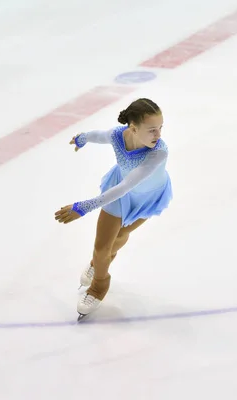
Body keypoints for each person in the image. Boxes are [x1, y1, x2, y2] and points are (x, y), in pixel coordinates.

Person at [54, 98, 173, 318]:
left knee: (118, 238)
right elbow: (100, 135)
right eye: (152, 130)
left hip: (145, 198)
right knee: (101, 248)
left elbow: (129, 185)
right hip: (117, 191)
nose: (158, 136)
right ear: (133, 128)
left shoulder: (158, 152)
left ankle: (96, 265)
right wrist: (82, 138)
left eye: (160, 128)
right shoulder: (119, 136)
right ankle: (99, 285)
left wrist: (84, 207)